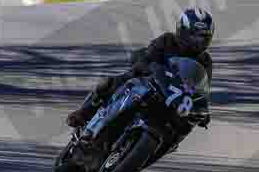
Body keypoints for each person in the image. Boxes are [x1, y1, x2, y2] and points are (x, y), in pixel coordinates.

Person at [67, 8, 214, 129]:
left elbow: (203, 90)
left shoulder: (205, 61)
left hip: (174, 99)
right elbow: (147, 57)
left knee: (185, 124)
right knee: (109, 82)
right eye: (195, 35)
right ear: (183, 30)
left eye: (203, 36)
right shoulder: (167, 40)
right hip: (150, 80)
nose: (199, 41)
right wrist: (146, 66)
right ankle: (83, 112)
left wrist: (204, 112)